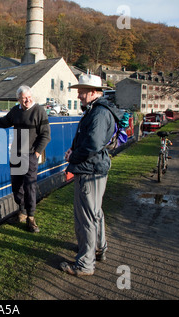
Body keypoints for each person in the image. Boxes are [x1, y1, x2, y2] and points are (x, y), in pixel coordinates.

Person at [61, 74, 124, 276]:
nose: (78, 95)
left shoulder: (98, 113)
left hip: (89, 170)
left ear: (94, 92)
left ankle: (85, 264)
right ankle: (98, 248)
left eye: (81, 91)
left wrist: (73, 157)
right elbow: (89, 141)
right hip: (94, 168)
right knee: (95, 213)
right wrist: (74, 151)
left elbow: (92, 145)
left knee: (86, 217)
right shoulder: (99, 110)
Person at [0, 85, 50, 232]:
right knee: (16, 186)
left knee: (30, 187)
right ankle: (22, 212)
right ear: (18, 99)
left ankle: (31, 219)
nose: (27, 100)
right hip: (16, 155)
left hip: (30, 156)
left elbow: (46, 135)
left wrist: (36, 154)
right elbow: (1, 122)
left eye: (28, 97)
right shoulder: (15, 111)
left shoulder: (39, 111)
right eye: (23, 98)